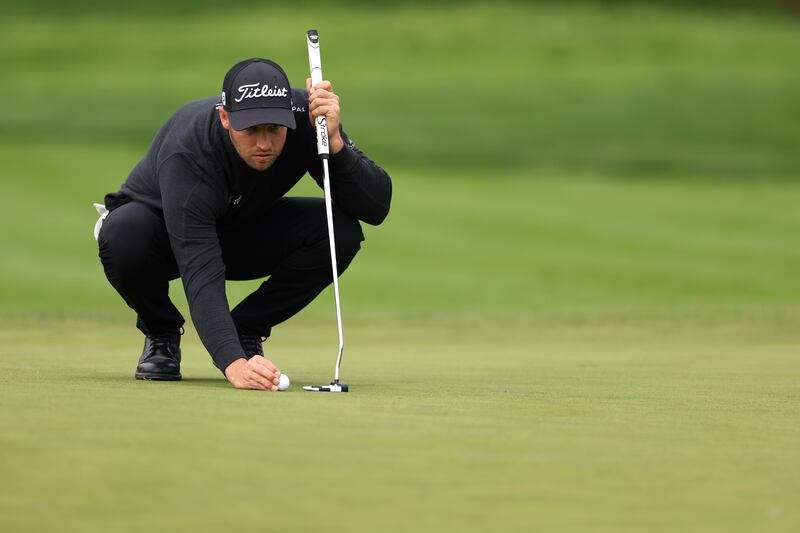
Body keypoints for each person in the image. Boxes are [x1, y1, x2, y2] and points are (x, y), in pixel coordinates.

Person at [94, 58, 392, 391]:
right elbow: (200, 270)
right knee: (123, 235)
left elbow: (376, 206)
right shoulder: (189, 152)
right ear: (225, 118)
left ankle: (247, 326)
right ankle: (161, 332)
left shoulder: (307, 119)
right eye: (251, 130)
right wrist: (233, 363)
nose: (264, 144)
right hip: (164, 238)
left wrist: (335, 143)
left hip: (241, 228)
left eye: (274, 130)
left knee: (340, 231)